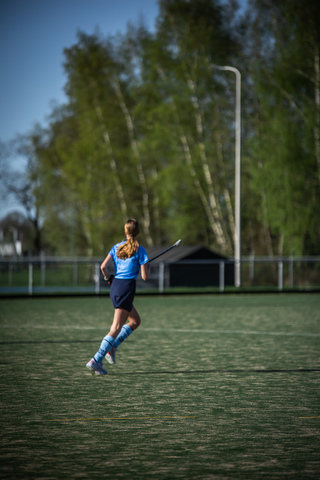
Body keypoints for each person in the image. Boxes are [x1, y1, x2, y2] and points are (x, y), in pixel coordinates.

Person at [86, 218, 150, 375]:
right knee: (115, 327)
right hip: (126, 289)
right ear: (138, 232)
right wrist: (147, 266)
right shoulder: (140, 250)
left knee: (135, 321)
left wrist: (109, 278)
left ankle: (112, 346)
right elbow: (145, 277)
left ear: (125, 231)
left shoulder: (116, 247)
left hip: (115, 287)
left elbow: (103, 267)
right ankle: (96, 359)